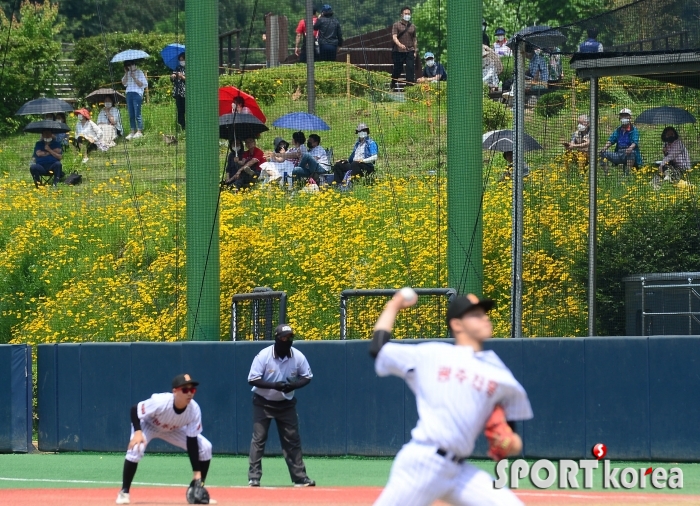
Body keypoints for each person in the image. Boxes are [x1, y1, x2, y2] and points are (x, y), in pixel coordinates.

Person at [369, 291, 532, 506]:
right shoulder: (433, 354)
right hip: (424, 461)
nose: (484, 317)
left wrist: (510, 443)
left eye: (484, 313)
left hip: (458, 471)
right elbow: (378, 349)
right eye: (475, 314)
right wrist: (394, 305)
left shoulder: (499, 372)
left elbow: (511, 435)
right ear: (457, 324)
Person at [115, 374, 215, 505]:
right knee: (136, 447)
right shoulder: (160, 401)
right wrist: (138, 432)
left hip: (173, 429)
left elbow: (192, 442)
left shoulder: (194, 410)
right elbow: (135, 409)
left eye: (192, 390)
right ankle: (124, 492)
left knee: (206, 447)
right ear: (175, 391)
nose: (189, 393)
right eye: (185, 390)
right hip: (148, 425)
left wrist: (197, 472)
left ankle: (197, 490)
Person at [247, 324, 315, 488]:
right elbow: (252, 379)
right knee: (259, 439)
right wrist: (273, 385)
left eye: (289, 337)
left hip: (286, 404)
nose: (286, 340)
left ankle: (300, 478)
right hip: (263, 402)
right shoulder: (264, 355)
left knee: (292, 440)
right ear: (277, 338)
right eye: (283, 337)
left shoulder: (297, 356)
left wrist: (294, 385)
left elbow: (307, 376)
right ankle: (254, 477)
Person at [600, 108, 642, 173]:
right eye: (622, 116)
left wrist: (630, 148)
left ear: (630, 117)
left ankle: (627, 173)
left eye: (626, 115)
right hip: (618, 154)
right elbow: (611, 140)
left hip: (628, 153)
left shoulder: (634, 130)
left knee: (632, 152)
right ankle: (607, 173)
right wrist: (605, 147)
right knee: (602, 153)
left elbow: (635, 142)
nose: (624, 117)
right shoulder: (618, 130)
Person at [391, 6, 417, 91]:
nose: (407, 15)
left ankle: (409, 88)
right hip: (398, 51)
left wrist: (415, 51)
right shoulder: (396, 25)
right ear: (401, 14)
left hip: (410, 50)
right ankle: (393, 83)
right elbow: (394, 37)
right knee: (398, 68)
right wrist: (399, 44)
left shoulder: (412, 26)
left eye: (409, 14)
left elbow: (414, 39)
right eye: (406, 14)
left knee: (410, 68)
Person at [121, 60, 147, 139]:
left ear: (134, 64)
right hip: (129, 94)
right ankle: (132, 131)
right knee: (131, 114)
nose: (130, 67)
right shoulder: (127, 73)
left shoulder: (140, 72)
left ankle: (139, 131)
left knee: (137, 114)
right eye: (128, 66)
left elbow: (143, 84)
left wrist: (134, 77)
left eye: (131, 65)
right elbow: (124, 83)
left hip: (137, 94)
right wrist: (126, 73)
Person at [170, 52, 186, 130]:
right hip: (178, 92)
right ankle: (182, 126)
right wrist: (173, 76)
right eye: (180, 60)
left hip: (186, 93)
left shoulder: (190, 68)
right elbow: (172, 76)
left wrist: (182, 77)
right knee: (180, 111)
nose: (181, 61)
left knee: (187, 109)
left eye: (182, 60)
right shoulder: (177, 68)